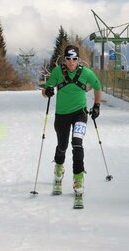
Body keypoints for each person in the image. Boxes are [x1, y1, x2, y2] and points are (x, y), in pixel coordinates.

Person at [42, 45, 102, 197]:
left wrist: (96, 106)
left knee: (77, 143)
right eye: (68, 59)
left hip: (80, 113)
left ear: (78, 59)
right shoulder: (57, 72)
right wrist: (47, 91)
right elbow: (45, 91)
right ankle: (59, 167)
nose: (71, 62)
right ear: (64, 59)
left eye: (74, 59)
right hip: (62, 115)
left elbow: (98, 86)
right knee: (62, 145)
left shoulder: (86, 72)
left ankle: (78, 178)